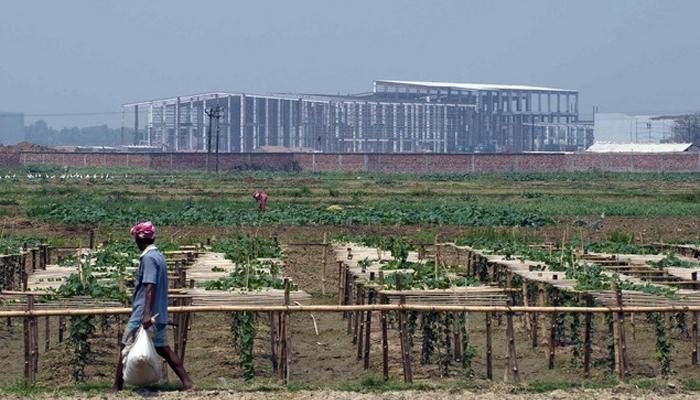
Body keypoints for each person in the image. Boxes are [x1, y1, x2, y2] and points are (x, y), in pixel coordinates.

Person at [113, 221, 194, 391]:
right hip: (159, 311)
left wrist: (146, 313)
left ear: (139, 240)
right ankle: (187, 383)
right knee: (163, 348)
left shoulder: (148, 258)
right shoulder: (158, 256)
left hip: (144, 312)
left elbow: (150, 285)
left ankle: (117, 386)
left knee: (125, 344)